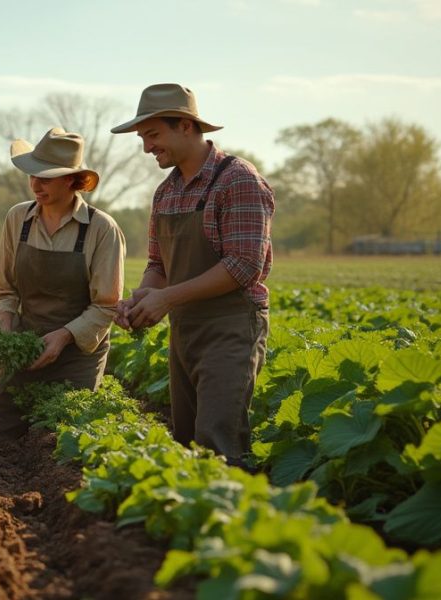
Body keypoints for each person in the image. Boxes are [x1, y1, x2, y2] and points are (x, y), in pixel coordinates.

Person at [111, 83, 273, 464]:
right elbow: (158, 265)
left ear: (185, 126)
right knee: (185, 441)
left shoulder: (238, 180)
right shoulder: (166, 192)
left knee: (217, 443)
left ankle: (233, 502)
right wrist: (141, 299)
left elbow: (243, 265)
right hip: (184, 330)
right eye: (142, 138)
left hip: (230, 328)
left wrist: (166, 299)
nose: (147, 147)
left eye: (153, 135)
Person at [0, 128, 126, 442]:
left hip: (76, 356)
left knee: (61, 439)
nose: (35, 185)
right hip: (26, 347)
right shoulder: (18, 219)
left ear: (72, 180)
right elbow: (4, 288)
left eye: (46, 178)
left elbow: (106, 305)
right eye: (32, 176)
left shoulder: (101, 229)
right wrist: (6, 327)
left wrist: (63, 337)